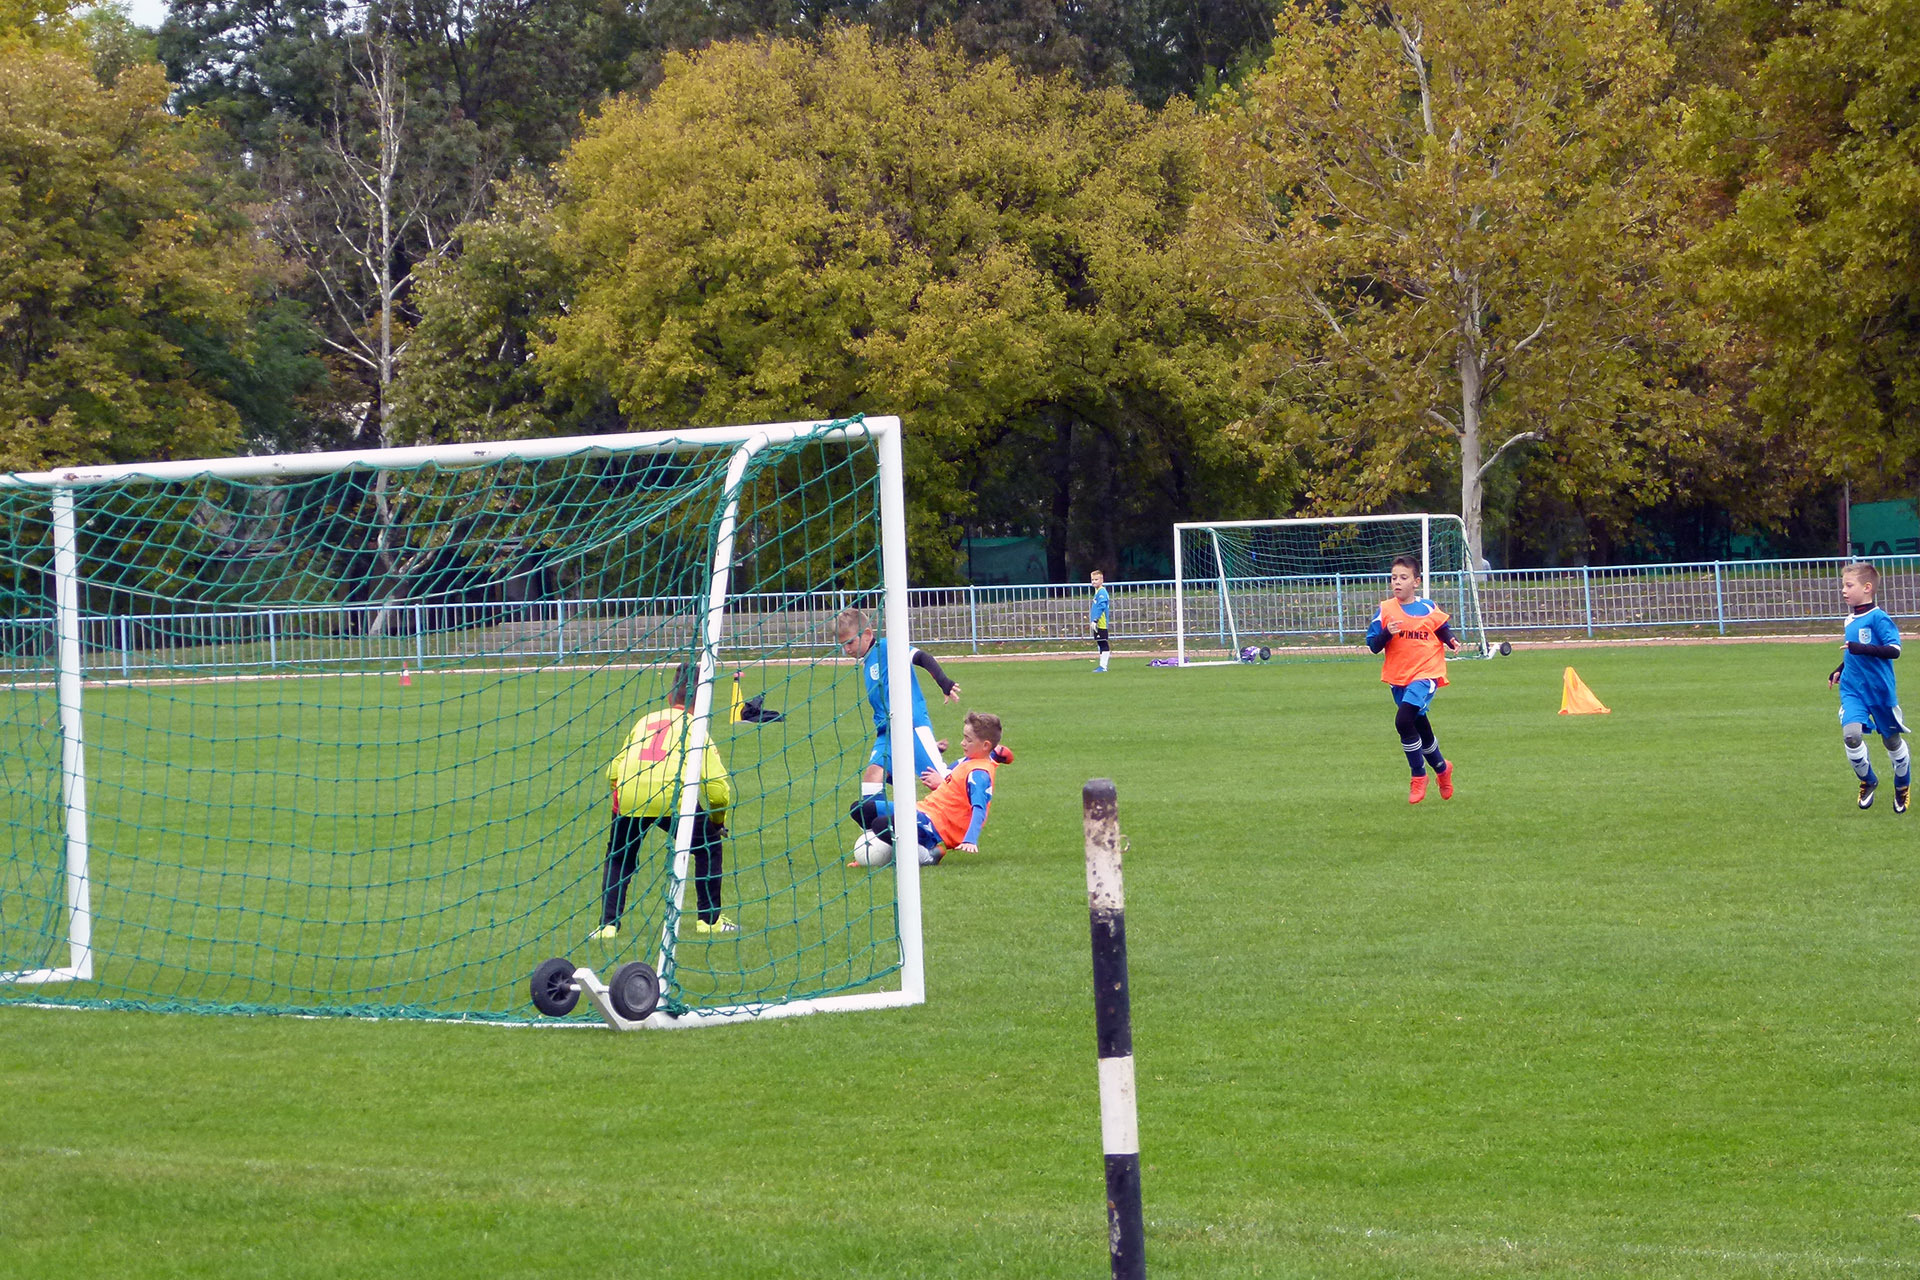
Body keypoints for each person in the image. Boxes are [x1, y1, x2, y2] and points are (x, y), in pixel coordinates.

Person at [593, 662, 736, 939]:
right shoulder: (696, 728)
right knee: (708, 847)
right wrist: (717, 822)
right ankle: (709, 922)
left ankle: (607, 926)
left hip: (630, 796)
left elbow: (613, 770)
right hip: (673, 799)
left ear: (670, 695)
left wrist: (619, 800)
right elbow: (718, 789)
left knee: (619, 856)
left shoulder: (644, 721)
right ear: (703, 700)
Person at [850, 712, 1014, 865]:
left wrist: (970, 839)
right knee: (861, 809)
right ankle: (870, 853)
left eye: (968, 740)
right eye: (964, 737)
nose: (962, 743)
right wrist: (1001, 754)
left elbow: (979, 809)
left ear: (985, 745)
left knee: (882, 825)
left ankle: (928, 855)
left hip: (936, 826)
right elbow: (996, 755)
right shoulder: (971, 758)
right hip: (923, 809)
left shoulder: (979, 774)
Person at [834, 607, 960, 803]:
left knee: (943, 783)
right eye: (843, 645)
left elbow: (921, 657)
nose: (847, 649)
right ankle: (881, 824)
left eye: (850, 642)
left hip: (910, 726)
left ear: (867, 634)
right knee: (872, 780)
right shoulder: (868, 661)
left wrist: (944, 682)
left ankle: (976, 764)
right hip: (887, 732)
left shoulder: (886, 648)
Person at [1365, 555, 1461, 804]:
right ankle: (1442, 769)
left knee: (1403, 720)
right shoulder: (1385, 610)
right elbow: (1373, 646)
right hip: (1399, 678)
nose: (1397, 582)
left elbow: (1440, 627)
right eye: (1394, 578)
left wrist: (1451, 640)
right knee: (1420, 727)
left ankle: (1419, 775)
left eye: (1403, 577)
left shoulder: (1427, 607)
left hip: (1427, 673)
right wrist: (1387, 633)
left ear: (1416, 582)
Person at [1828, 561, 1910, 811]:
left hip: (1880, 691)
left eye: (1848, 585)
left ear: (1867, 588)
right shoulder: (1850, 619)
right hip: (1853, 690)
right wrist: (1840, 669)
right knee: (1851, 735)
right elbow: (1853, 652)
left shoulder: (1878, 618)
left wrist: (1861, 648)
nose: (1843, 590)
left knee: (1891, 742)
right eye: (1843, 585)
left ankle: (1902, 785)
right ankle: (1868, 780)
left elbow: (1894, 650)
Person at [1089, 570, 1111, 673]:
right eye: (1092, 579)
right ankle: (1102, 665)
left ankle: (1103, 666)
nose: (1094, 582)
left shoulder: (1102, 592)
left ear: (1102, 580)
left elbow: (1102, 606)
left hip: (1101, 623)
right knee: (1100, 643)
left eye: (1096, 579)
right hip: (1097, 623)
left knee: (1103, 643)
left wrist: (1095, 619)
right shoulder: (1097, 591)